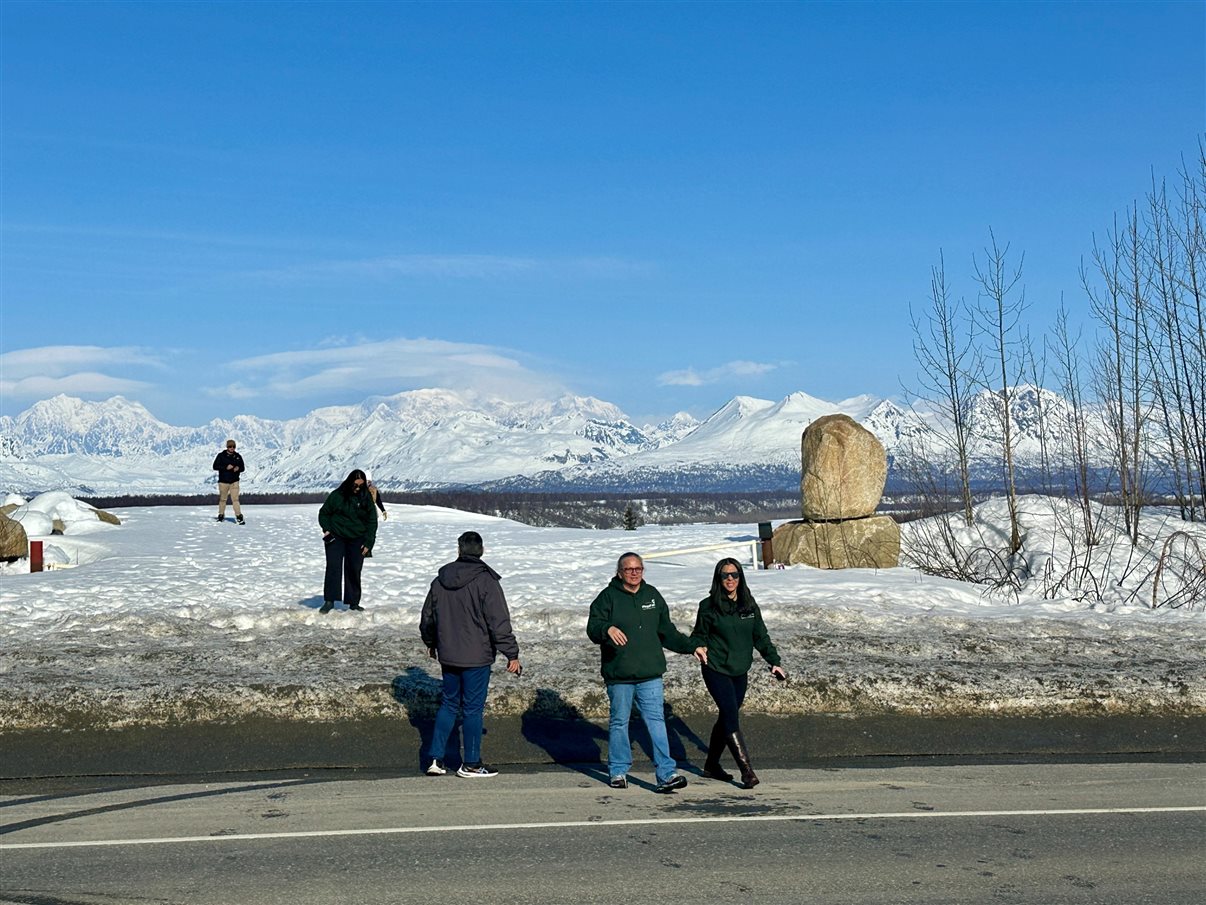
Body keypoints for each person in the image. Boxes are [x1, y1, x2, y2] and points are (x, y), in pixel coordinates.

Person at [587, 552, 705, 793]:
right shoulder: (607, 597)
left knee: (656, 722)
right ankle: (618, 771)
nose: (634, 573)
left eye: (638, 568)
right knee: (619, 722)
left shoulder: (652, 596)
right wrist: (607, 628)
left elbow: (667, 632)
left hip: (650, 674)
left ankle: (666, 774)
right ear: (619, 572)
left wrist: (691, 647)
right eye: (628, 569)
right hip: (619, 674)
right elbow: (593, 627)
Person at [420, 530, 521, 778]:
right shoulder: (487, 581)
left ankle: (436, 759)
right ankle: (472, 763)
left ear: (459, 549)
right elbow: (498, 621)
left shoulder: (440, 581)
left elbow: (428, 617)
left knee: (449, 704)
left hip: (448, 654)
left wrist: (431, 643)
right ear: (481, 550)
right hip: (477, 656)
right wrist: (511, 653)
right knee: (473, 709)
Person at [690, 558, 786, 789]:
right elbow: (698, 635)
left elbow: (760, 636)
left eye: (734, 575)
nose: (730, 579)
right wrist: (698, 646)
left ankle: (711, 765)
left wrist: (774, 661)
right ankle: (747, 771)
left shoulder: (749, 605)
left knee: (727, 716)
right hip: (715, 667)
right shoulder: (708, 606)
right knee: (730, 714)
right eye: (725, 575)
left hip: (740, 669)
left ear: (740, 577)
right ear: (718, 578)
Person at [317, 469, 377, 613]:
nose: (358, 488)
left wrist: (369, 543)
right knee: (333, 567)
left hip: (357, 538)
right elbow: (324, 513)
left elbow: (372, 521)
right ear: (349, 482)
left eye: (361, 486)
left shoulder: (366, 498)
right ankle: (329, 601)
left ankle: (353, 602)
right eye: (355, 485)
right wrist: (327, 529)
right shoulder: (337, 496)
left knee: (354, 569)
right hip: (336, 536)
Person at [212, 439, 246, 524]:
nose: (232, 448)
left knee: (235, 500)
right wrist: (225, 467)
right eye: (230, 446)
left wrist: (238, 468)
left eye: (234, 446)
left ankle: (239, 516)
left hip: (234, 481)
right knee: (223, 499)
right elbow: (215, 466)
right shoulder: (221, 456)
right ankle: (221, 515)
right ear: (227, 447)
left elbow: (243, 468)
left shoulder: (238, 456)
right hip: (223, 482)